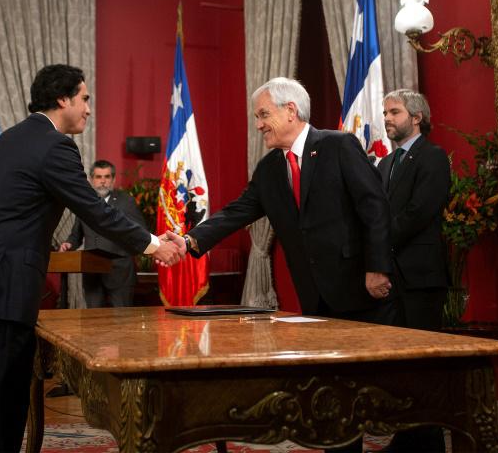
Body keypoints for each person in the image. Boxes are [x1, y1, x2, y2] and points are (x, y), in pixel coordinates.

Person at [0, 64, 185, 453]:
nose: (89, 108)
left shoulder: (7, 139)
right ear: (63, 99)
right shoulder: (55, 146)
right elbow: (96, 210)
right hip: (5, 291)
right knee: (2, 410)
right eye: (85, 98)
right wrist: (154, 245)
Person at [186, 77, 395, 324]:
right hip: (312, 295)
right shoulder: (268, 168)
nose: (258, 125)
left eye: (264, 115)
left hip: (361, 288)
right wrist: (189, 240)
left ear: (291, 111)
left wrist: (378, 268)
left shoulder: (338, 146)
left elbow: (375, 208)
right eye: (256, 117)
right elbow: (236, 212)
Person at [378, 89, 450, 452]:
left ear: (416, 117)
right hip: (391, 277)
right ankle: (407, 437)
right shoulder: (385, 164)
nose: (387, 119)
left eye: (394, 112)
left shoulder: (433, 157)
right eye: (385, 113)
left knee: (423, 364)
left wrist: (379, 241)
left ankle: (428, 442)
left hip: (421, 277)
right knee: (400, 365)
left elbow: (420, 211)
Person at [59, 159, 146, 307]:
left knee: (122, 318)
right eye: (98, 177)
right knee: (93, 318)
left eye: (107, 177)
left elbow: (141, 232)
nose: (103, 181)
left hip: (119, 271)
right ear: (91, 179)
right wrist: (69, 244)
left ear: (113, 179)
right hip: (92, 271)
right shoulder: (85, 203)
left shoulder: (126, 201)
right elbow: (76, 235)